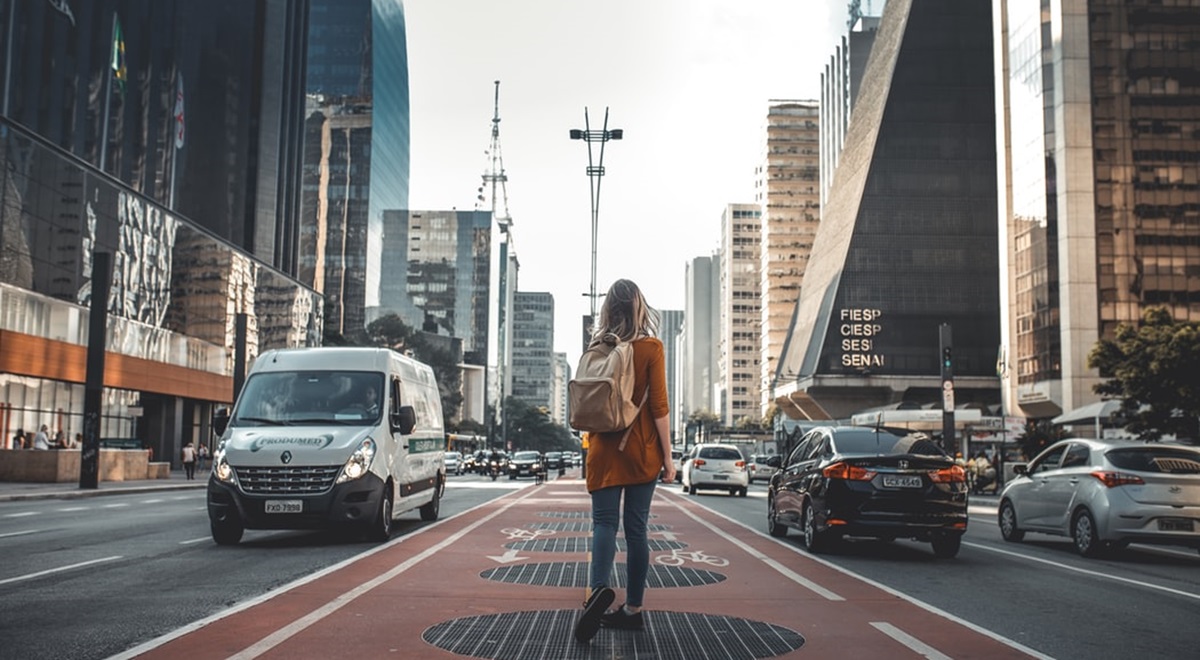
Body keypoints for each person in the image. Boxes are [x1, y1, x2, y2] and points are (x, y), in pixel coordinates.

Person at [574, 279, 675, 644]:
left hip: (602, 451)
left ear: (608, 310)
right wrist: (668, 457)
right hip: (642, 452)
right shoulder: (651, 347)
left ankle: (597, 592)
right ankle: (632, 609)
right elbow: (659, 407)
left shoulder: (598, 347)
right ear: (639, 307)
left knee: (603, 524)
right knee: (636, 530)